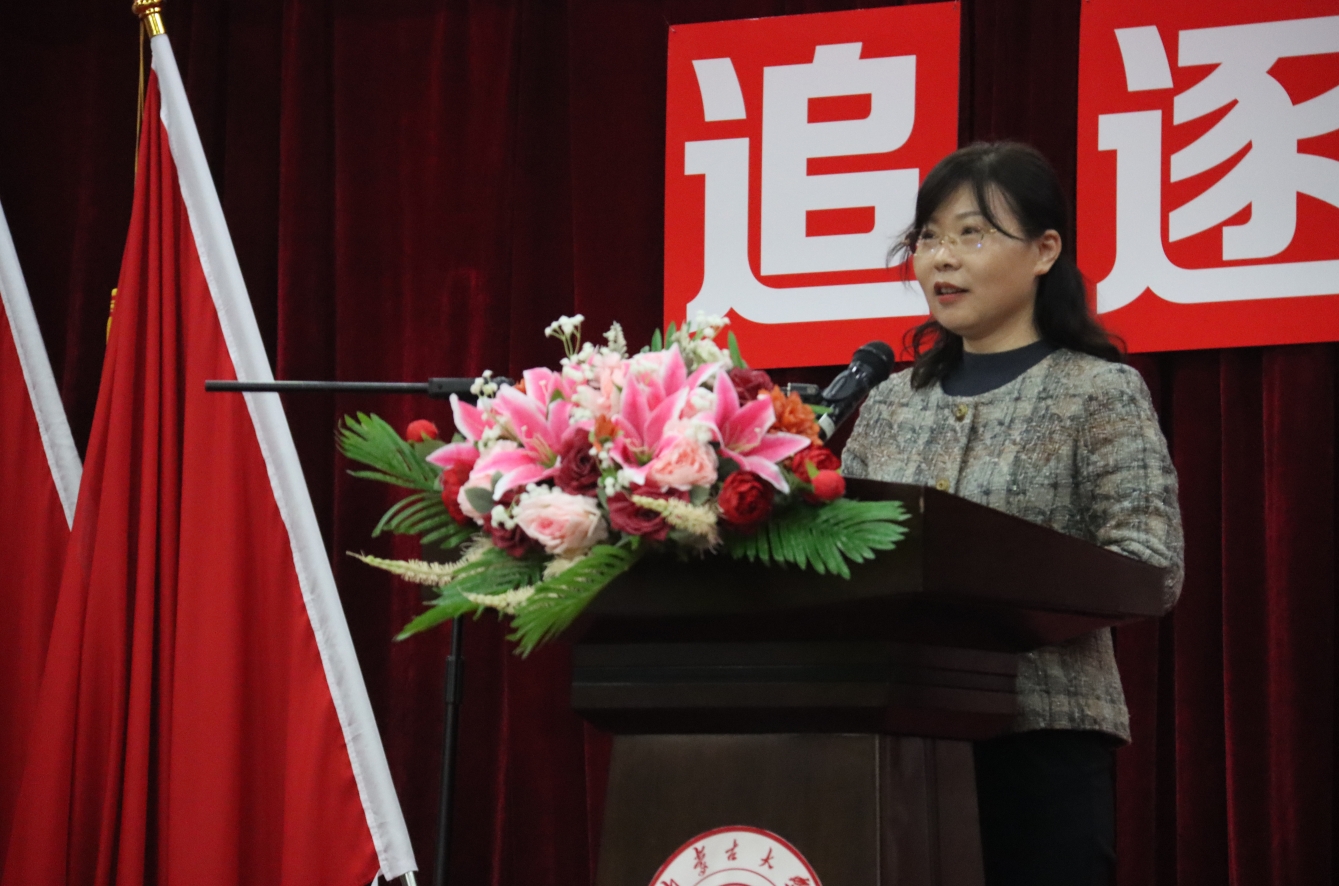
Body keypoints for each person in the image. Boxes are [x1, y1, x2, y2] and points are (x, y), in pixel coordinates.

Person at [841, 142, 1184, 886]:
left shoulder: (1098, 392)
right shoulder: (890, 403)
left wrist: (990, 588)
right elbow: (844, 556)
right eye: (928, 237)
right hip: (896, 741)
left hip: (1042, 743)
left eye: (971, 234)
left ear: (1044, 251)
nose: (941, 258)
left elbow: (1151, 566)